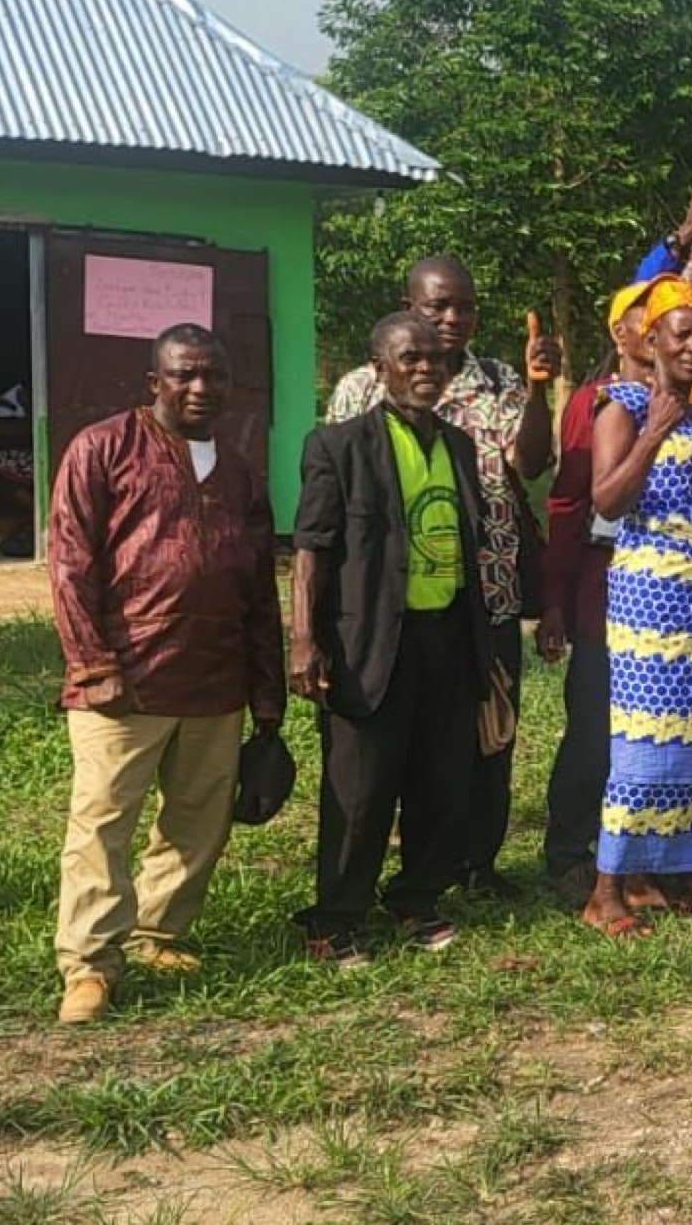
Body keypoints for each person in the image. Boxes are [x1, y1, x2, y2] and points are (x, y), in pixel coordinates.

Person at [46, 326, 284, 1024]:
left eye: (214, 376)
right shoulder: (103, 448)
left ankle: (158, 934)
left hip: (214, 683)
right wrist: (93, 663)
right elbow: (69, 564)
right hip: (125, 682)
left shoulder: (239, 474)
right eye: (184, 375)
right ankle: (89, 965)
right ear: (155, 381)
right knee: (102, 823)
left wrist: (265, 699)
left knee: (196, 821)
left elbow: (259, 595)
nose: (201, 388)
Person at [326, 255, 559, 899]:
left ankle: (475, 864)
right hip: (395, 605)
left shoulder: (499, 379)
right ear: (407, 305)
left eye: (464, 307)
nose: (453, 319)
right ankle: (380, 874)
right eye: (437, 307)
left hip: (488, 592)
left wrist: (540, 388)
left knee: (490, 733)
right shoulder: (361, 388)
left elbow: (533, 464)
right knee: (403, 741)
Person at [291, 313, 493, 966]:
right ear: (378, 367)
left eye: (437, 359)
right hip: (370, 643)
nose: (426, 369)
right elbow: (311, 549)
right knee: (359, 791)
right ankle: (334, 919)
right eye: (411, 357)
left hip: (447, 640)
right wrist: (303, 638)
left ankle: (415, 898)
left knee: (440, 780)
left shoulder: (460, 448)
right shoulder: (338, 445)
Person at [584, 277, 692, 930]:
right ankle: (604, 891)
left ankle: (657, 872)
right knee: (644, 745)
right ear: (650, 338)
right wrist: (652, 431)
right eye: (680, 333)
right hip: (651, 599)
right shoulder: (622, 405)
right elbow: (606, 500)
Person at [536, 282, 653, 897]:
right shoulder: (596, 403)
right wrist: (555, 600)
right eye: (649, 316)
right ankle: (568, 847)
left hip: (674, 599)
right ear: (622, 333)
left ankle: (641, 850)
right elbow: (569, 503)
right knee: (595, 726)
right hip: (605, 589)